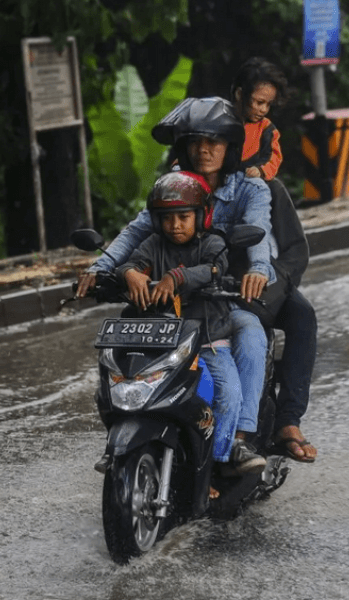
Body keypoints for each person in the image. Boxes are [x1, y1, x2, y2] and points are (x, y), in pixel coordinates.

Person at [77, 96, 274, 466]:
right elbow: (135, 235)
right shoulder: (171, 188)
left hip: (228, 297)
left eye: (213, 142)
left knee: (249, 336)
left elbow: (260, 235)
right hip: (173, 311)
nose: (203, 150)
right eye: (195, 142)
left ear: (230, 146)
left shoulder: (250, 189)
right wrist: (101, 270)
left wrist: (257, 271)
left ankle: (240, 439)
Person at [118, 171, 266, 486]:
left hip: (209, 340)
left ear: (199, 216)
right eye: (167, 218)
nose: (176, 225)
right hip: (164, 342)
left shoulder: (213, 243)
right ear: (157, 221)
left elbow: (214, 269)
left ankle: (221, 461)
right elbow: (133, 263)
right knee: (129, 385)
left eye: (184, 216)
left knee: (227, 393)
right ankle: (123, 446)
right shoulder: (152, 245)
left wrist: (177, 277)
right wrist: (130, 274)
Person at [230, 58, 318, 463]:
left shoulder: (267, 189)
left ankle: (287, 419)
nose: (208, 152)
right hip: (207, 286)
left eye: (267, 104)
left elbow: (295, 251)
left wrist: (268, 283)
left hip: (259, 287)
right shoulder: (188, 196)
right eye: (201, 145)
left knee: (302, 315)